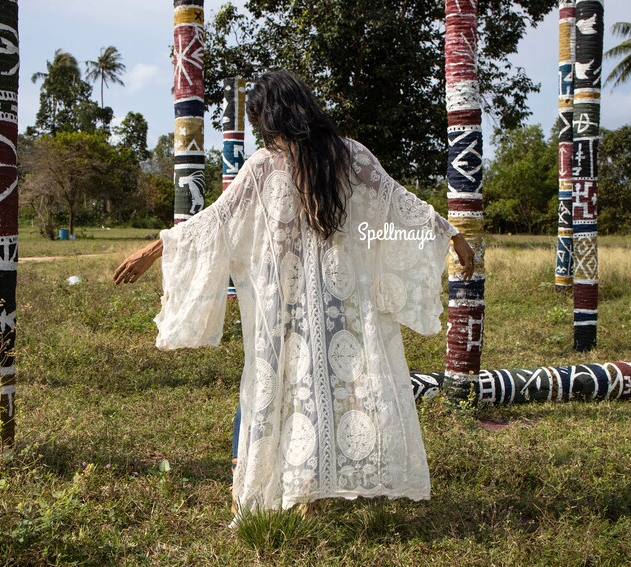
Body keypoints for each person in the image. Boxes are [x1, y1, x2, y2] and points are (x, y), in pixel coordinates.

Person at [114, 70, 475, 521]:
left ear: (276, 116)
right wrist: (155, 250)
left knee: (303, 388)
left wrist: (451, 234)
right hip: (298, 304)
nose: (264, 134)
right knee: (288, 386)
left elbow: (396, 203)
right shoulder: (284, 164)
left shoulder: (339, 158)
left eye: (263, 123)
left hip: (317, 303)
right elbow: (217, 220)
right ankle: (273, 486)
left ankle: (298, 488)